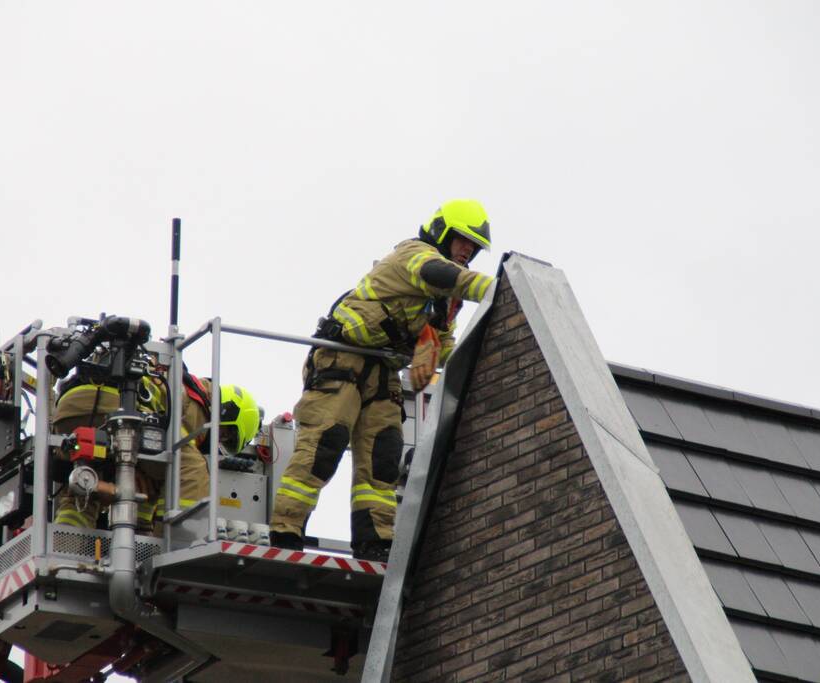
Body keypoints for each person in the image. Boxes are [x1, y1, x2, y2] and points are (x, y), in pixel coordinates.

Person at [269, 199, 495, 561]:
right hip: (341, 358)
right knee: (324, 444)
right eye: (463, 240)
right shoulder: (414, 255)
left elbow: (448, 346)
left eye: (474, 247)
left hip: (383, 372)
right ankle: (286, 533)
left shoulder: (447, 303)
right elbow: (438, 273)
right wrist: (494, 289)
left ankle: (375, 540)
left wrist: (436, 348)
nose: (468, 251)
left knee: (383, 459)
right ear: (443, 233)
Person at [53, 371, 261, 533]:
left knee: (84, 490)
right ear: (228, 409)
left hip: (68, 414)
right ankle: (175, 542)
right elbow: (173, 444)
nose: (220, 439)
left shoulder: (178, 383)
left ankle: (65, 547)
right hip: (112, 406)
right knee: (188, 467)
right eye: (226, 433)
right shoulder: (195, 403)